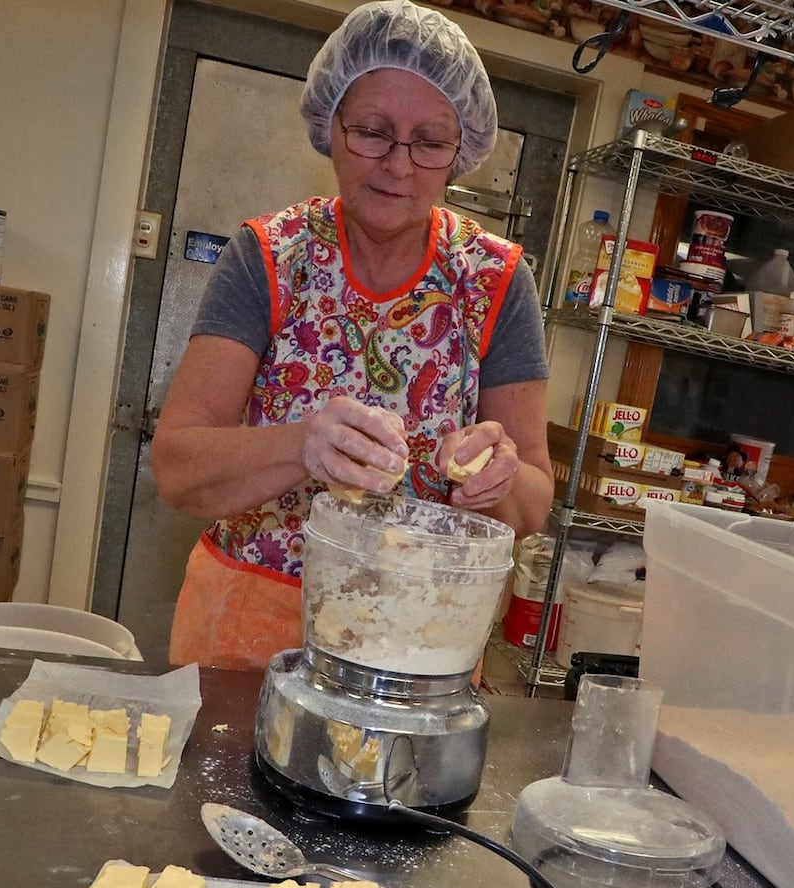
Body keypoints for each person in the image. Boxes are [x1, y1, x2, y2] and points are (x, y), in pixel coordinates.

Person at [151, 0, 553, 671]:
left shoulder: (496, 281)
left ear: (462, 152)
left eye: (429, 143)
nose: (399, 165)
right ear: (329, 128)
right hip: (249, 639)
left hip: (418, 647)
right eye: (372, 131)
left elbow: (533, 498)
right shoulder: (271, 257)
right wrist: (300, 445)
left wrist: (496, 481)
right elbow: (177, 469)